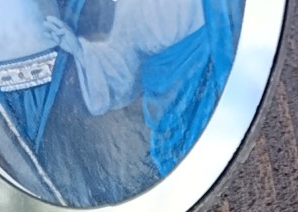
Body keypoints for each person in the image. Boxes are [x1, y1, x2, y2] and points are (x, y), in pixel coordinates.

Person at [44, 0, 240, 177]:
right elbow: (123, 69)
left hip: (219, 89)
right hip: (171, 110)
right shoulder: (129, 9)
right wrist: (79, 50)